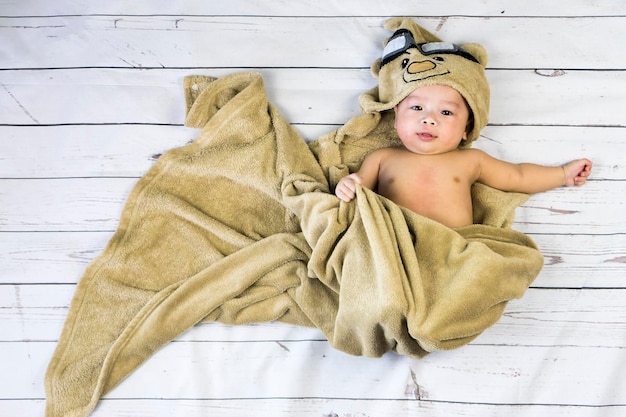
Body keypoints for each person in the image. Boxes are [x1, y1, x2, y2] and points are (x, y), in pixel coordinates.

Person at [335, 83, 592, 228]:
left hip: (452, 247)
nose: (429, 119)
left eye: (446, 113)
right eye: (416, 107)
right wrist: (347, 185)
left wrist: (561, 175)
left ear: (465, 131)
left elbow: (518, 175)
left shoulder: (470, 160)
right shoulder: (383, 157)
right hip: (394, 243)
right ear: (395, 120)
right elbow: (359, 186)